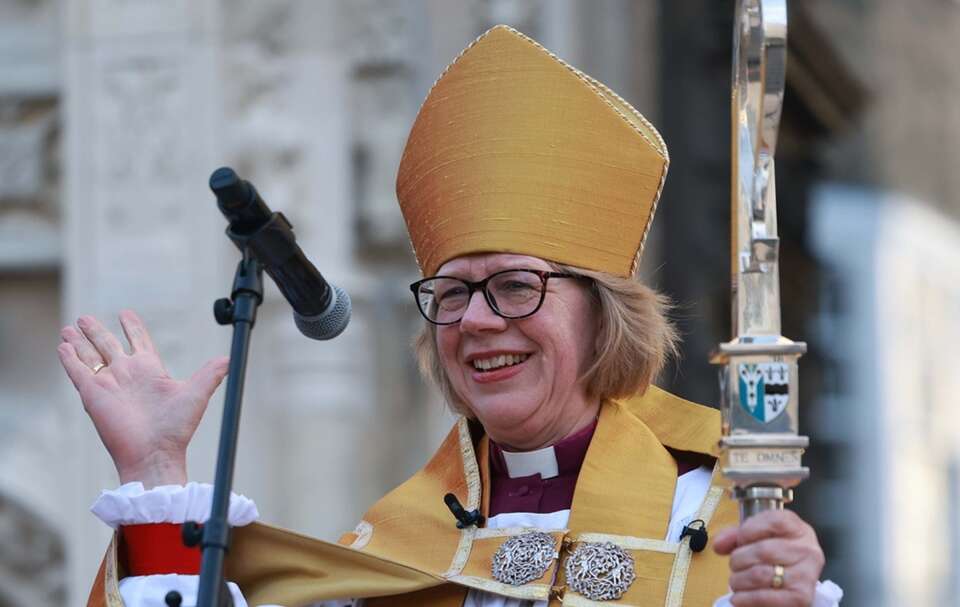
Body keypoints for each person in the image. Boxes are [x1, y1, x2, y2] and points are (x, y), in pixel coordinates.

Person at [59, 25, 842, 607]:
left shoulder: (712, 510)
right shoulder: (394, 546)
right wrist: (155, 469)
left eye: (515, 286)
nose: (476, 321)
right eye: (452, 293)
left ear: (603, 312)